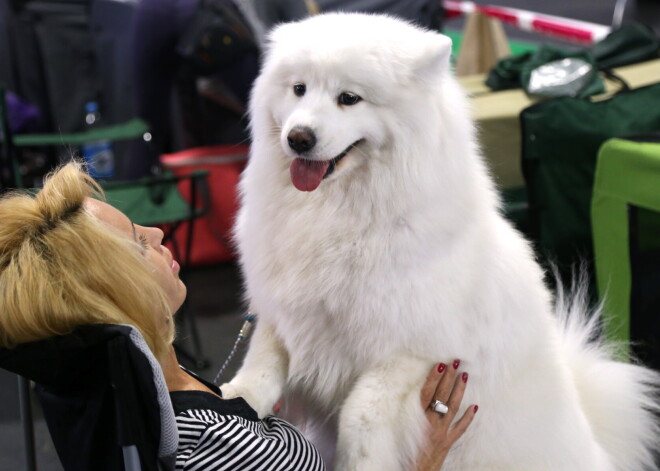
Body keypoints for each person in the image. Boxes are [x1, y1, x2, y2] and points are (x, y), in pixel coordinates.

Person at [0, 161, 477, 470]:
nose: (158, 232)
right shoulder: (210, 444)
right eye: (138, 244)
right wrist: (423, 457)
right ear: (117, 293)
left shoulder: (127, 381)